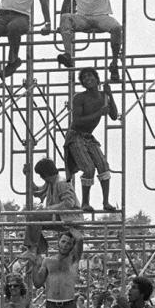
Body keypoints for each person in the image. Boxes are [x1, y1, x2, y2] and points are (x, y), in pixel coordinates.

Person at [57, 0, 124, 81]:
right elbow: (67, 1)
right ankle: (68, 54)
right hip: (82, 17)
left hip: (101, 16)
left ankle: (114, 64)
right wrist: (61, 23)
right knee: (66, 17)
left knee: (116, 28)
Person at [64, 68, 118, 213]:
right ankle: (85, 203)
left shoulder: (103, 96)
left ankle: (106, 202)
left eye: (90, 76)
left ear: (96, 78)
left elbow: (113, 115)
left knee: (103, 165)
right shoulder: (79, 98)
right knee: (88, 168)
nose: (88, 79)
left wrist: (110, 94)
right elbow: (77, 121)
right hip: (75, 136)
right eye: (85, 77)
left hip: (88, 136)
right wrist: (98, 113)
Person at [21, 158, 81, 257]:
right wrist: (28, 176)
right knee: (32, 218)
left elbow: (69, 203)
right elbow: (37, 192)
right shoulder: (51, 183)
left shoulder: (62, 183)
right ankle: (37, 248)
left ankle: (35, 249)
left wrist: (48, 209)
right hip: (60, 217)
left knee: (33, 217)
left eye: (41, 175)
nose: (41, 177)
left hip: (69, 217)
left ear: (45, 174)